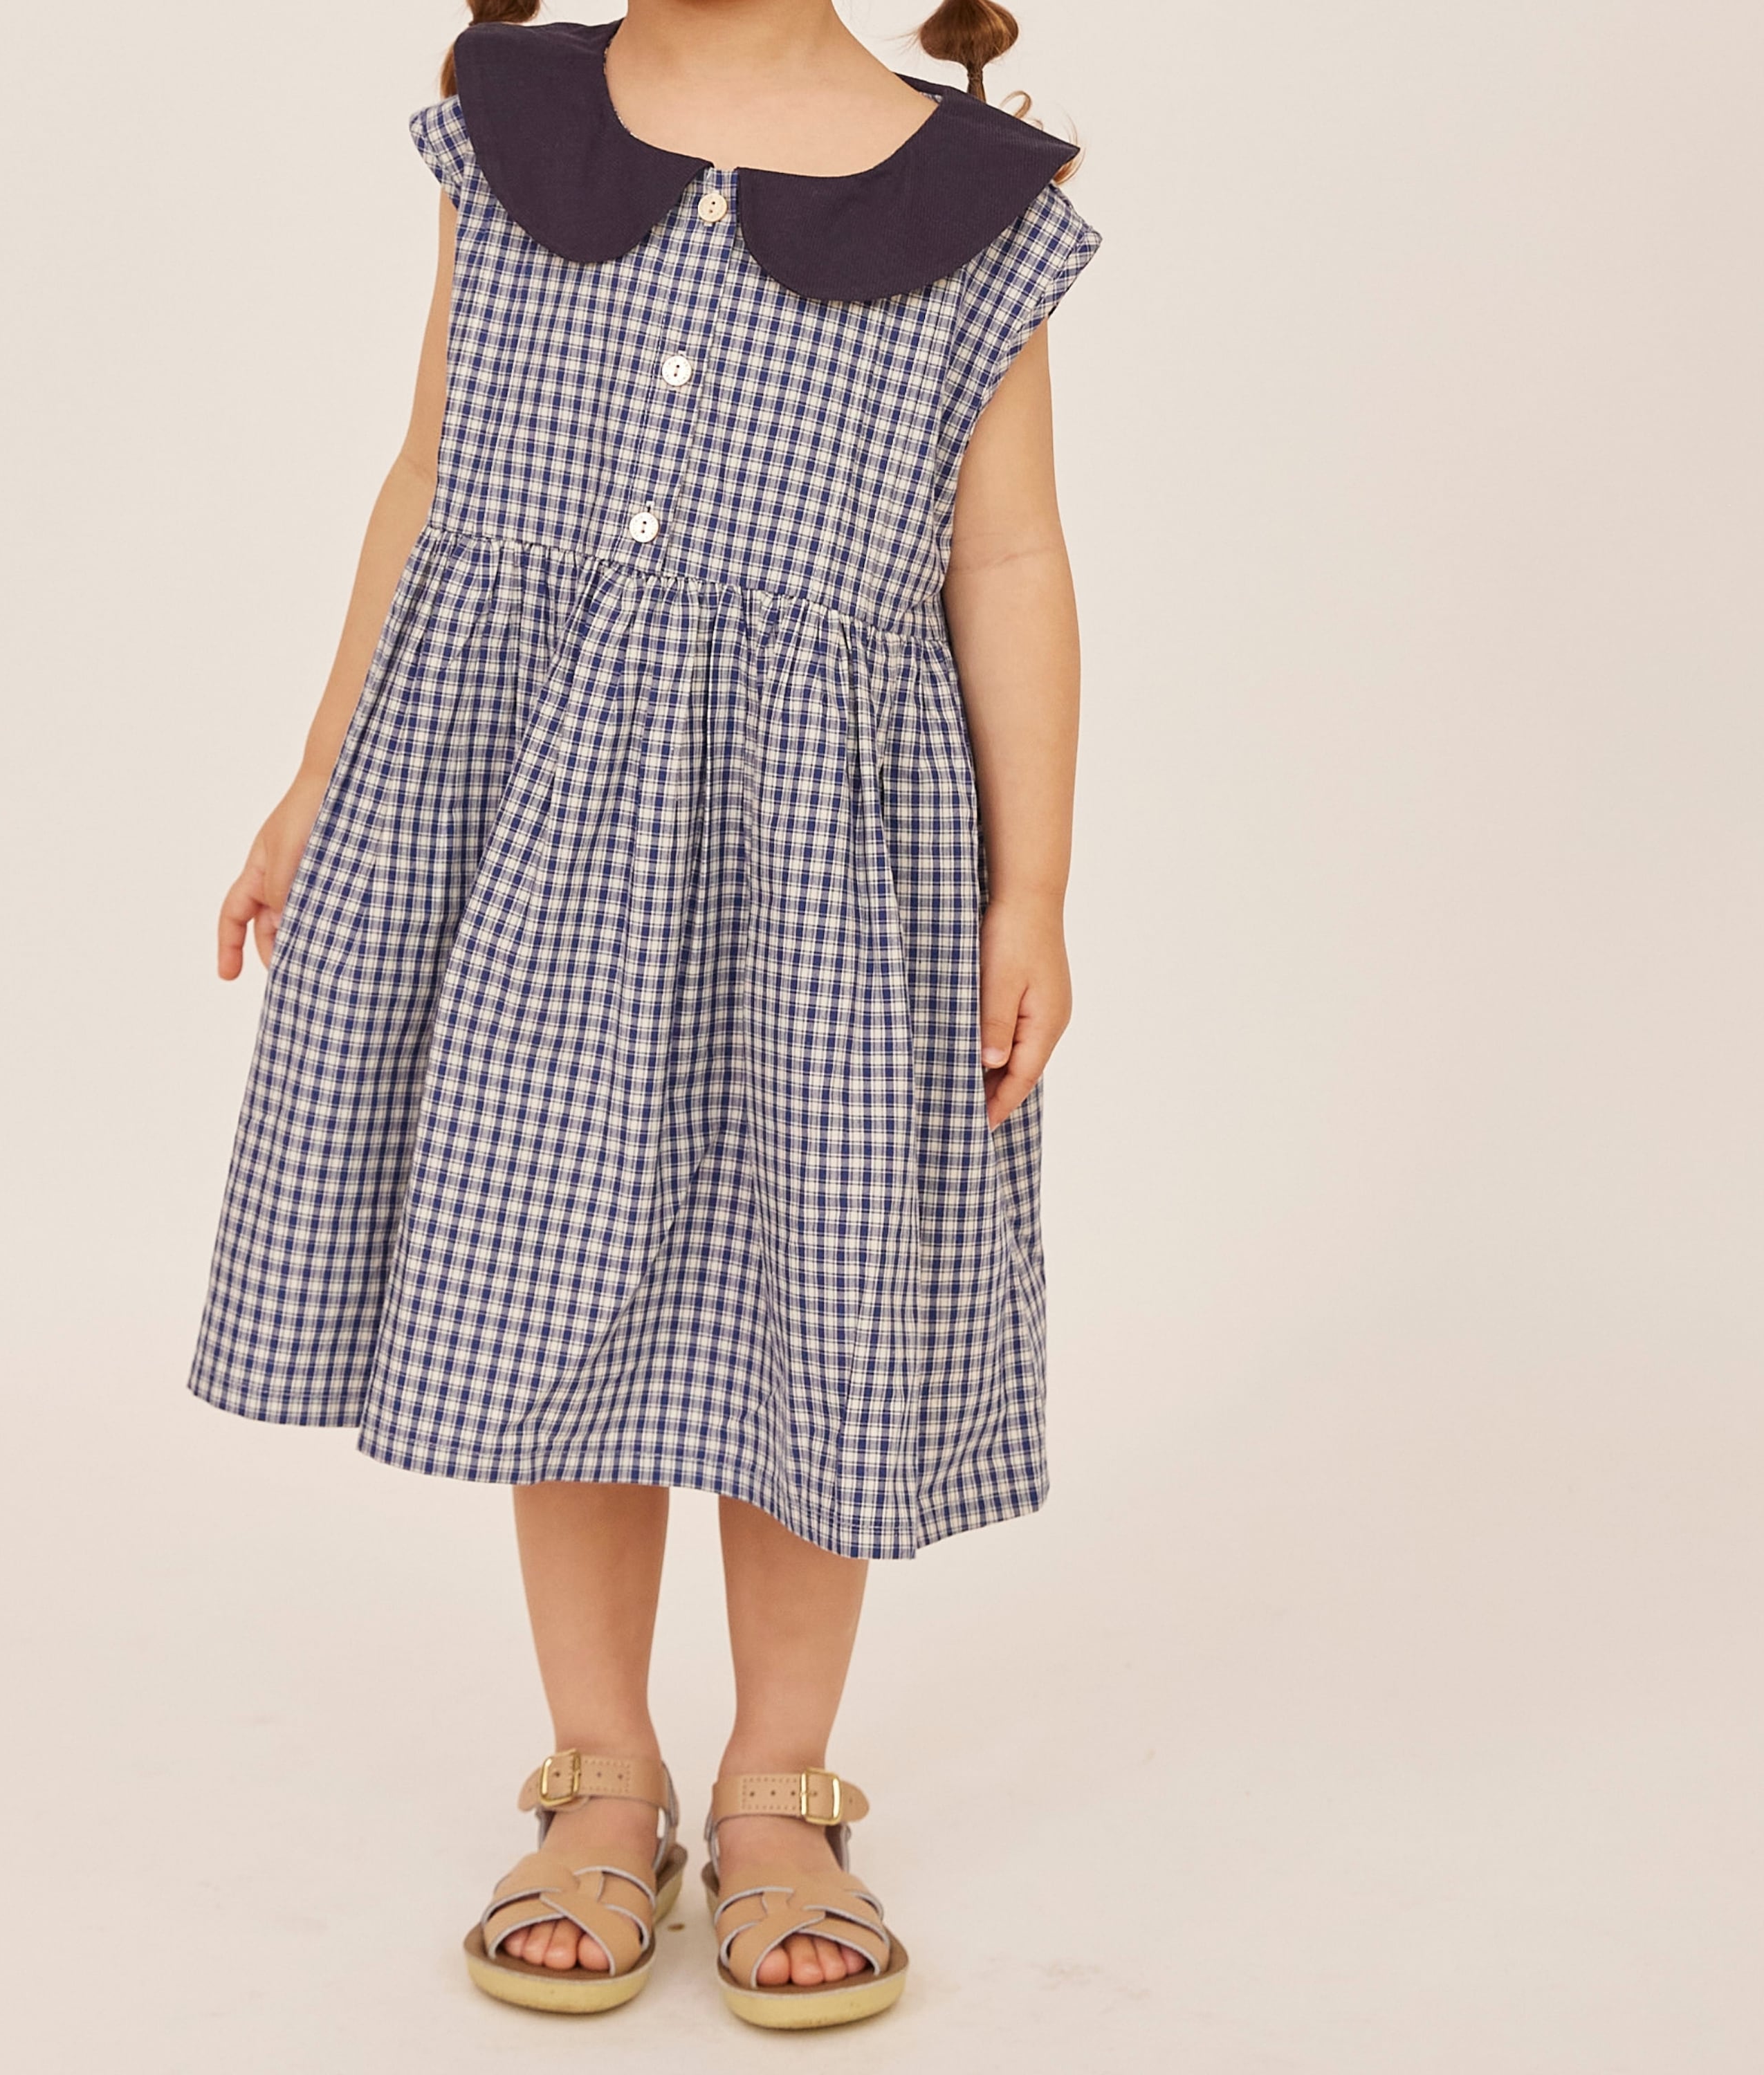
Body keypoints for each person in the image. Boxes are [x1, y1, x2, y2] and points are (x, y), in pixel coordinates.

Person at [189, 0, 1099, 2031]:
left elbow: (1015, 554)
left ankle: (782, 1788)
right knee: (559, 1282)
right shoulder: (513, 116)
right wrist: (320, 776)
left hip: (823, 865)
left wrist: (1032, 887)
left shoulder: (973, 196)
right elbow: (430, 470)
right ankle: (600, 1767)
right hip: (530, 835)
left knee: (807, 1294)